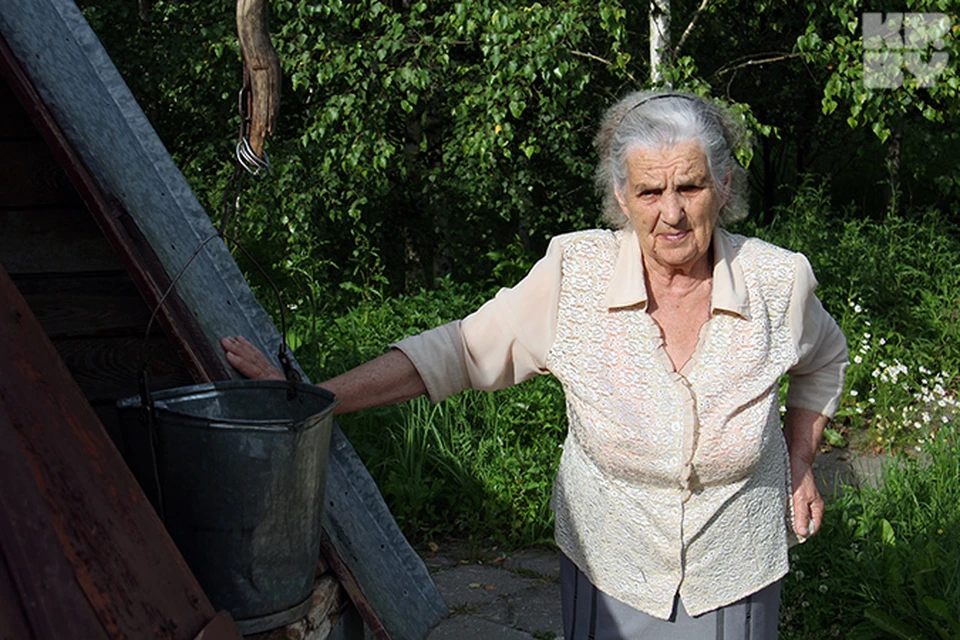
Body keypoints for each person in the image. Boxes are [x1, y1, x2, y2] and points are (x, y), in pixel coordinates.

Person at [222, 90, 848, 639]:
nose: (672, 213)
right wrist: (314, 395)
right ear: (620, 197)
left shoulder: (776, 283)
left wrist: (798, 458)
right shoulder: (575, 277)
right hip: (611, 570)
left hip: (733, 571)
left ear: (725, 187)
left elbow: (823, 361)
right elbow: (457, 352)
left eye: (690, 186)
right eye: (650, 191)